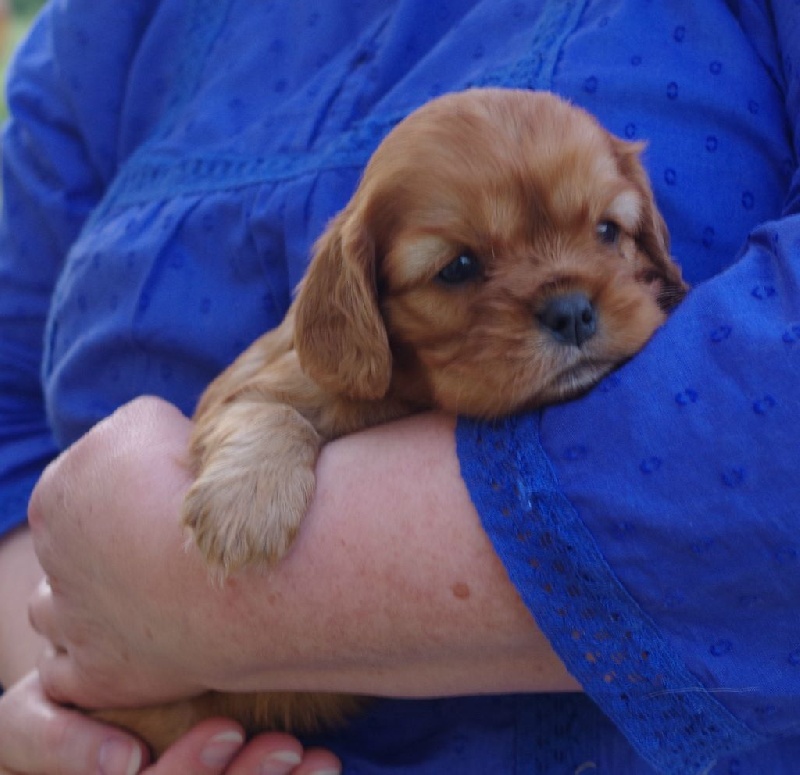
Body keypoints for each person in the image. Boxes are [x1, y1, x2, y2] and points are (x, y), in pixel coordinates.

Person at [0, 1, 799, 773]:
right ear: (359, 300)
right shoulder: (103, 28)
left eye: (605, 230)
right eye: (458, 269)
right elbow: (16, 416)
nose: (569, 305)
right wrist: (72, 712)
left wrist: (199, 601)